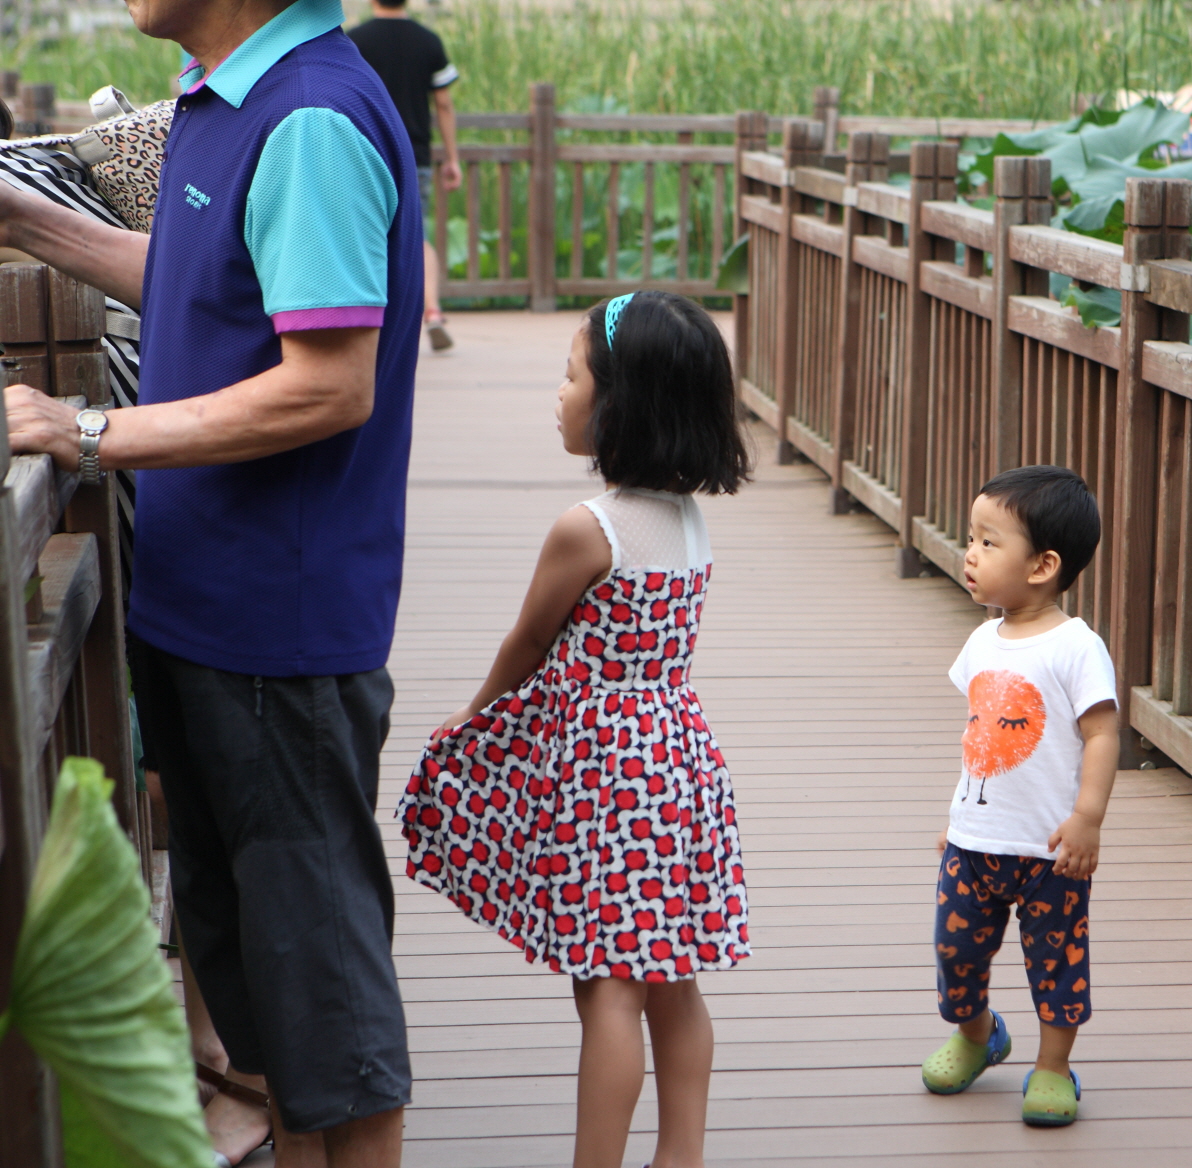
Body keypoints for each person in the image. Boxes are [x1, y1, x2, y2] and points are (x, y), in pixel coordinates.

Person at [1, 0, 424, 1162]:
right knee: (269, 1002)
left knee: (329, 1013)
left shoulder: (309, 118)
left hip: (277, 628)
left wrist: (86, 433)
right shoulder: (222, 98)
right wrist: (23, 216)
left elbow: (328, 384)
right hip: (206, 613)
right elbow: (205, 280)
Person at [398, 291, 752, 1168]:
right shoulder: (688, 522)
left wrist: (472, 715)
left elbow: (528, 641)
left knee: (607, 989)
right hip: (677, 757)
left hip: (609, 775)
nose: (559, 394)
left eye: (571, 376)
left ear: (621, 403)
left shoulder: (590, 529)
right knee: (672, 980)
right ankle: (681, 1155)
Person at [920, 466, 1119, 1128]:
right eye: (971, 538)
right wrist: (958, 817)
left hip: (1049, 852)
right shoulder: (982, 640)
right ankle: (978, 1035)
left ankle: (1053, 1068)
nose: (969, 553)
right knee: (956, 953)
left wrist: (1087, 817)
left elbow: (1102, 735)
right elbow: (980, 738)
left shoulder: (1076, 647)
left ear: (1043, 566)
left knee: (1056, 962)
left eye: (987, 542)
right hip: (975, 843)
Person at [349, 0, 460, 352]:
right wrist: (452, 158)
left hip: (365, 152)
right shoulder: (428, 40)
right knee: (417, 234)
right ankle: (433, 311)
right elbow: (444, 104)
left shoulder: (355, 41)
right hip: (415, 156)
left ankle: (374, 320)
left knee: (366, 234)